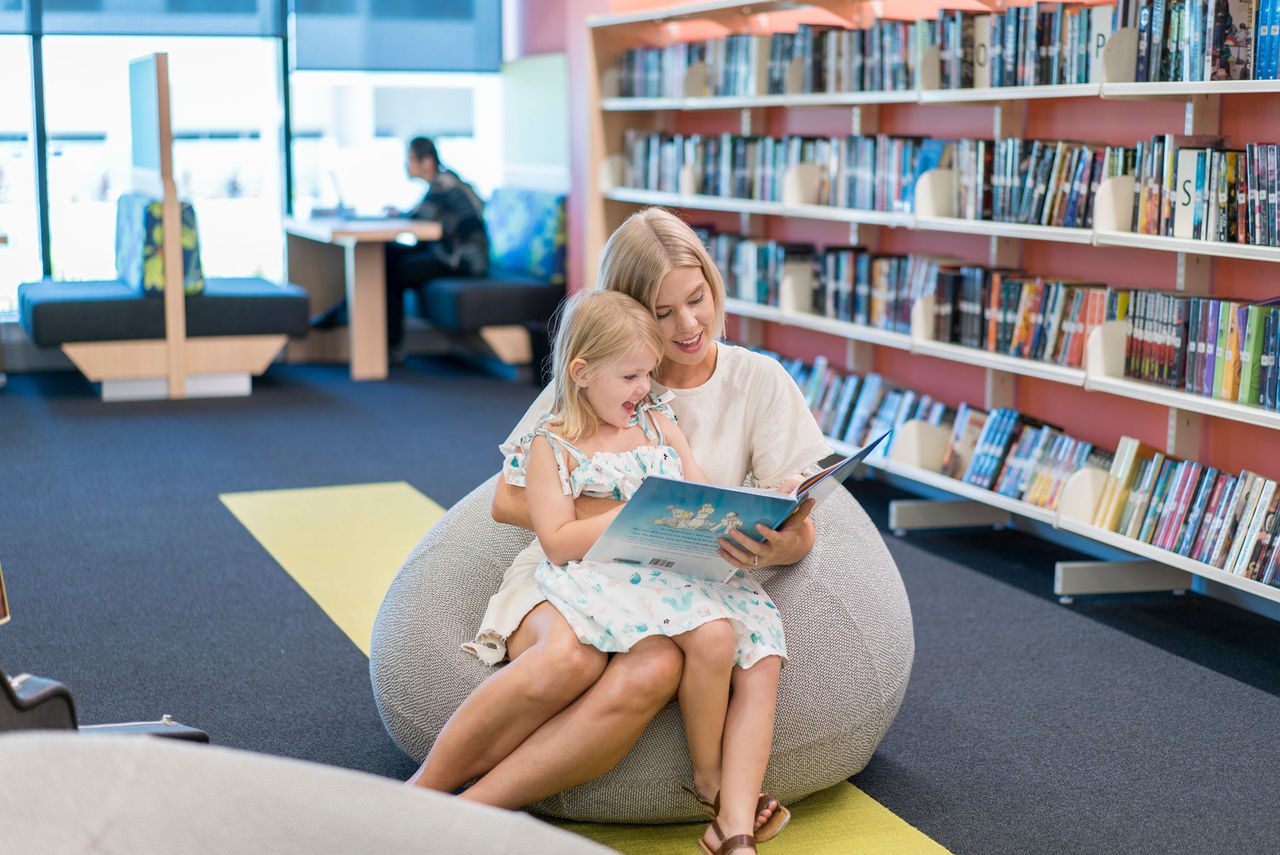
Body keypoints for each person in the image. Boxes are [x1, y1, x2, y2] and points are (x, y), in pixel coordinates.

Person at [408, 207, 830, 852]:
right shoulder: (605, 372)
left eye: (698, 299)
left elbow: (801, 526)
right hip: (583, 570)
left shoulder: (754, 382)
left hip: (678, 579)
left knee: (656, 667)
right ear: (627, 313)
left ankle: (472, 816)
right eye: (662, 313)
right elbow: (509, 499)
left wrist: (774, 538)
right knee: (564, 661)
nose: (687, 325)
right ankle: (419, 803)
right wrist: (624, 517)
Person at [516, 288, 789, 854]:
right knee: (713, 637)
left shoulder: (659, 422)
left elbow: (695, 492)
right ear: (582, 372)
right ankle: (710, 780)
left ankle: (725, 812)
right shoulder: (552, 443)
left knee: (757, 641)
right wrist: (634, 510)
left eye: (647, 375)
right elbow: (558, 541)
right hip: (613, 574)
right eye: (632, 377)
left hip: (672, 565)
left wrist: (762, 502)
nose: (644, 389)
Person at [311, 137, 490, 358]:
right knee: (387, 254)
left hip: (462, 261)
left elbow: (417, 217)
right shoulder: (445, 181)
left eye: (410, 160)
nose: (407, 166)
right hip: (445, 251)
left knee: (391, 270)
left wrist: (398, 215)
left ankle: (384, 340)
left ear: (426, 162)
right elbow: (421, 217)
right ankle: (353, 315)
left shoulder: (444, 184)